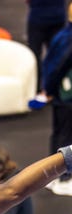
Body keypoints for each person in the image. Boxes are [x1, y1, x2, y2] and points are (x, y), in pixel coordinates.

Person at [42, 0, 72, 183]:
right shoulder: (67, 39)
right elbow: (57, 66)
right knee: (64, 134)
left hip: (62, 95)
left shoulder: (63, 36)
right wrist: (50, 89)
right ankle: (62, 175)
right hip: (65, 96)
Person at [26, 0, 66, 110]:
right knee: (57, 57)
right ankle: (54, 90)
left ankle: (36, 90)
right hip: (57, 16)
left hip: (38, 17)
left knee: (34, 56)